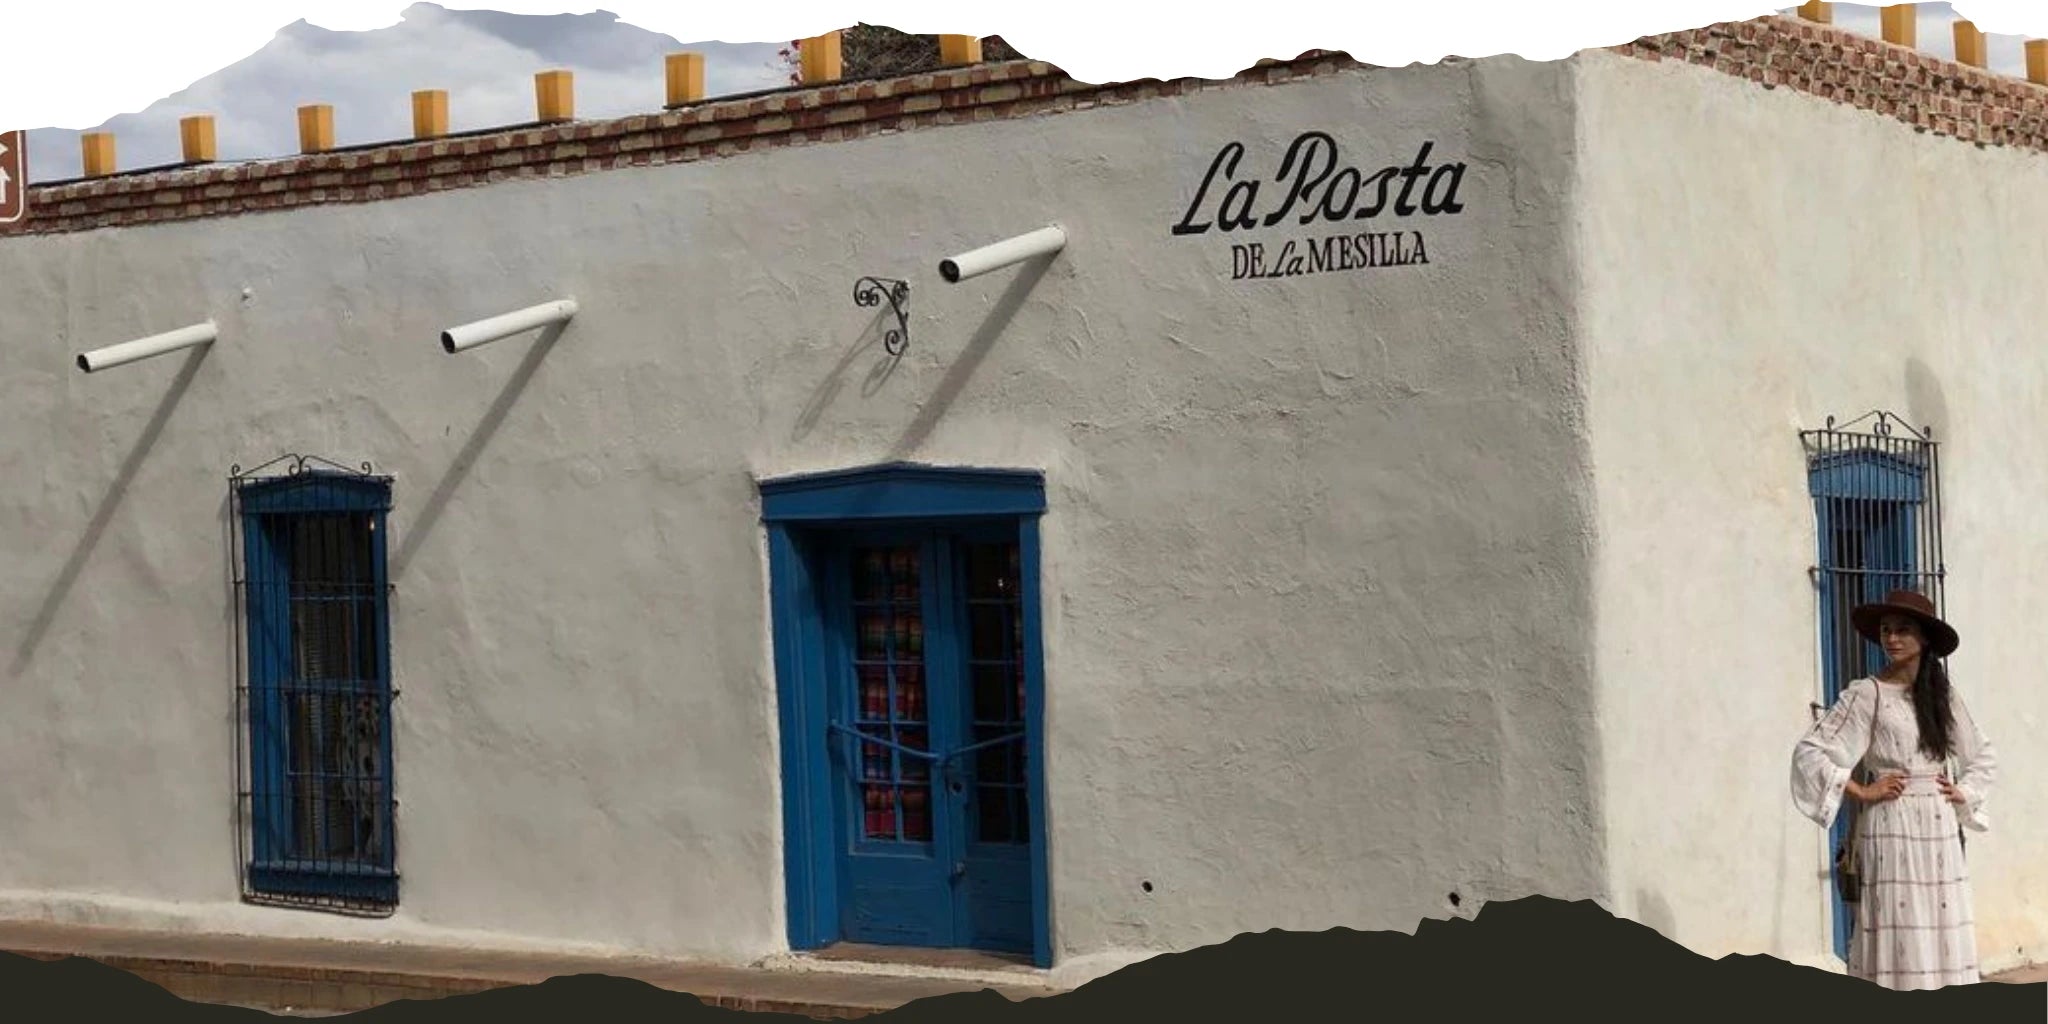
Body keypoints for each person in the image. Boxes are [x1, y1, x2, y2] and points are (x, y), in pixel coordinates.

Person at [1792, 589, 1997, 989]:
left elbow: (1982, 754)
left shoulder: (1942, 695)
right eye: (1886, 630)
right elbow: (1811, 752)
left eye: (1903, 630)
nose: (1892, 639)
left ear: (1924, 639)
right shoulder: (1867, 694)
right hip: (1892, 821)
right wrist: (1861, 790)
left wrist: (1964, 792)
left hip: (1937, 826)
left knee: (1940, 921)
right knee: (1898, 922)